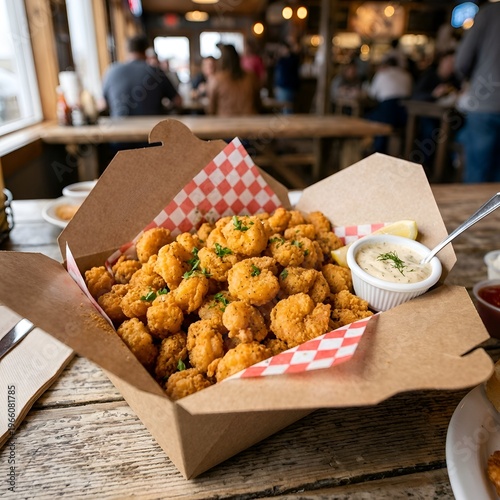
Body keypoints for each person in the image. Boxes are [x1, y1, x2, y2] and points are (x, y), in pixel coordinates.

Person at [455, 0, 500, 183]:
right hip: (486, 104)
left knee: (477, 176)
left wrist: (467, 79)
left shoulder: (489, 12)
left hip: (485, 103)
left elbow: (462, 62)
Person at [102, 35, 181, 117]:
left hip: (118, 128)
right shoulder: (156, 72)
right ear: (146, 51)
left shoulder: (111, 71)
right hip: (151, 128)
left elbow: (102, 104)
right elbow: (178, 101)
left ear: (127, 51)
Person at [365, 55, 412, 153]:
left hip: (388, 111)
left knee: (369, 118)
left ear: (385, 65)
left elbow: (372, 94)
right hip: (405, 115)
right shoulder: (407, 75)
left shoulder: (382, 74)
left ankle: (376, 149)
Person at [206, 44, 261, 116]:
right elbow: (258, 104)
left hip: (224, 124)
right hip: (250, 122)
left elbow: (211, 109)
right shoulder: (251, 76)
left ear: (221, 60)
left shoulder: (215, 80)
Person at [273, 41, 300, 114]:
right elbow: (277, 74)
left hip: (288, 87)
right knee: (280, 110)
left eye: (282, 48)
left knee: (287, 110)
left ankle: (289, 125)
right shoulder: (281, 60)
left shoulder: (292, 59)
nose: (281, 50)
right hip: (280, 87)